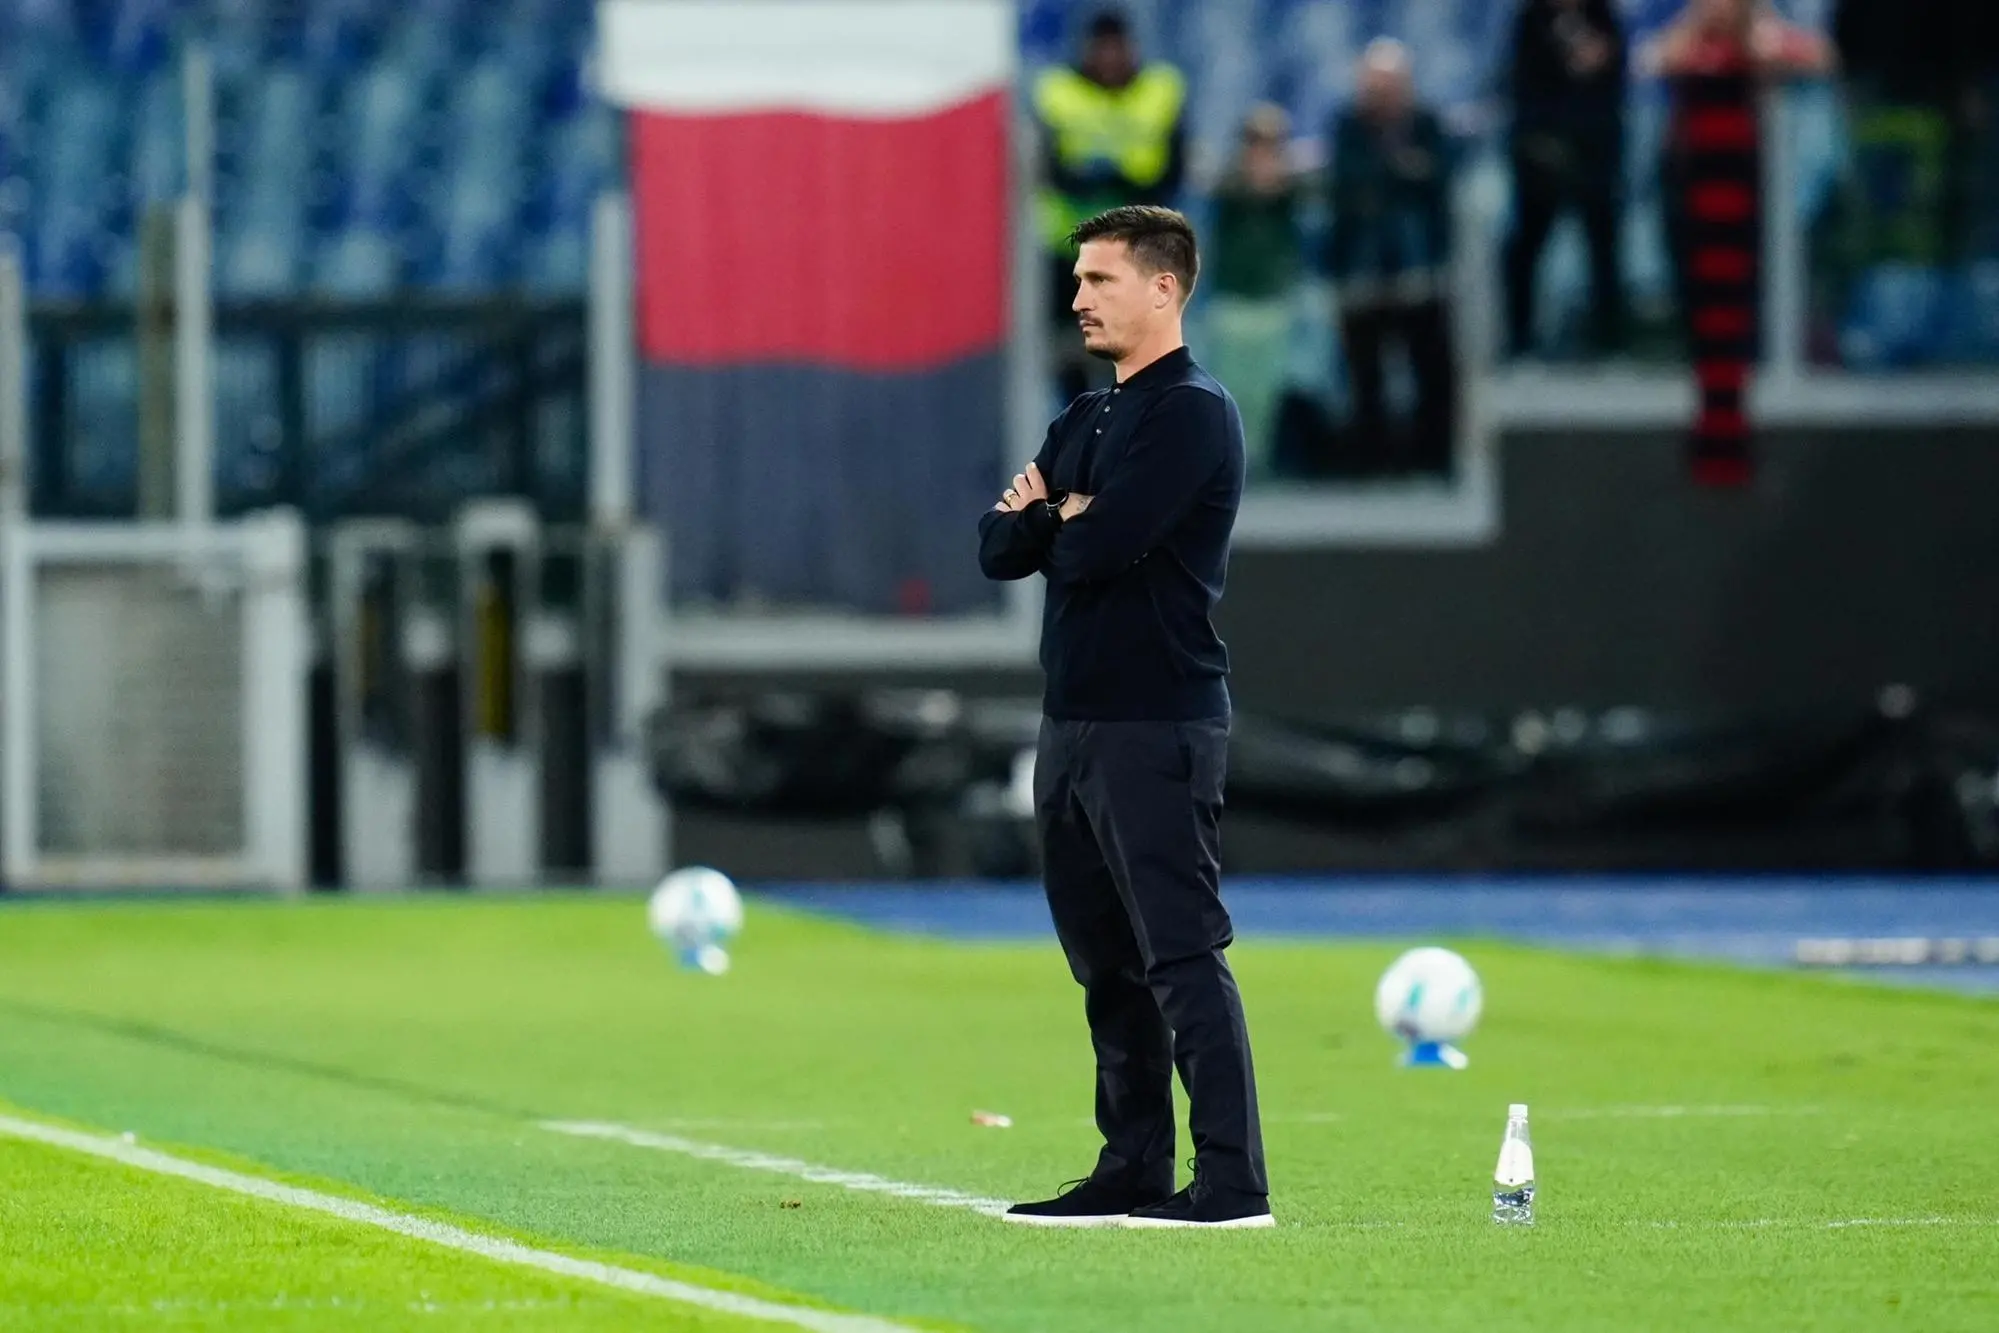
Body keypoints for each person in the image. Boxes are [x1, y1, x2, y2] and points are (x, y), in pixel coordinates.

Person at [976, 205, 1269, 1230]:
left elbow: (1102, 550)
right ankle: (1134, 1166)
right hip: (1073, 721)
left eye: (1099, 280)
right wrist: (1060, 515)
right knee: (1103, 959)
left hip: (1157, 720)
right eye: (1078, 280)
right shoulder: (1086, 417)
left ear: (1164, 288)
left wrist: (1048, 517)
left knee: (1179, 953)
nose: (1078, 299)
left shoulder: (1192, 412)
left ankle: (1231, 1184)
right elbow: (996, 546)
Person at [1644, 0, 1831, 484]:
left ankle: (1733, 442)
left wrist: (1757, 43)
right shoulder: (1687, 42)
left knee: (1737, 320)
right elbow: (1651, 62)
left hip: (1747, 203)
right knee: (1706, 322)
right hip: (1696, 200)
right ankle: (1711, 443)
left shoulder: (1763, 38)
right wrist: (1695, 31)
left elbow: (1820, 58)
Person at [1033, 8, 1188, 405]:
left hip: (1138, 251)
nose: (1109, 58)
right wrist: (1086, 182)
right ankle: (1077, 428)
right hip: (1071, 247)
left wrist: (1129, 187)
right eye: (1101, 48)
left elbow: (1174, 171)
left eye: (1116, 48)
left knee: (1133, 350)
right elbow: (1045, 167)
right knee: (1073, 349)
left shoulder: (1161, 90)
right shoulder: (1058, 93)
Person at [1325, 39, 1458, 477]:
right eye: (1374, 85)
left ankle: (1432, 456)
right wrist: (1401, 171)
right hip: (1362, 273)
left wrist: (1393, 176)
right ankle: (1373, 461)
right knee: (1366, 378)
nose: (1382, 95)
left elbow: (1437, 179)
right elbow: (1347, 184)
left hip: (1419, 270)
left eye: (1390, 85)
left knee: (1431, 370)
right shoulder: (1347, 126)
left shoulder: (1426, 124)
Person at [1504, 0, 1630, 357]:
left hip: (1595, 157)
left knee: (1603, 247)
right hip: (1542, 157)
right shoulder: (1531, 21)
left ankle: (1610, 341)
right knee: (1526, 247)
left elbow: (1614, 84)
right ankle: (1521, 339)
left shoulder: (1602, 17)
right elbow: (1523, 89)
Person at [1206, 103, 1303, 479]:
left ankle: (1258, 462)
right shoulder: (1228, 184)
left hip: (1272, 301)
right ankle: (1227, 461)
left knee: (1265, 393)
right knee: (1231, 387)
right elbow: (1223, 186)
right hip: (1232, 299)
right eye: (1256, 142)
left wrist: (1278, 181)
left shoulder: (1291, 187)